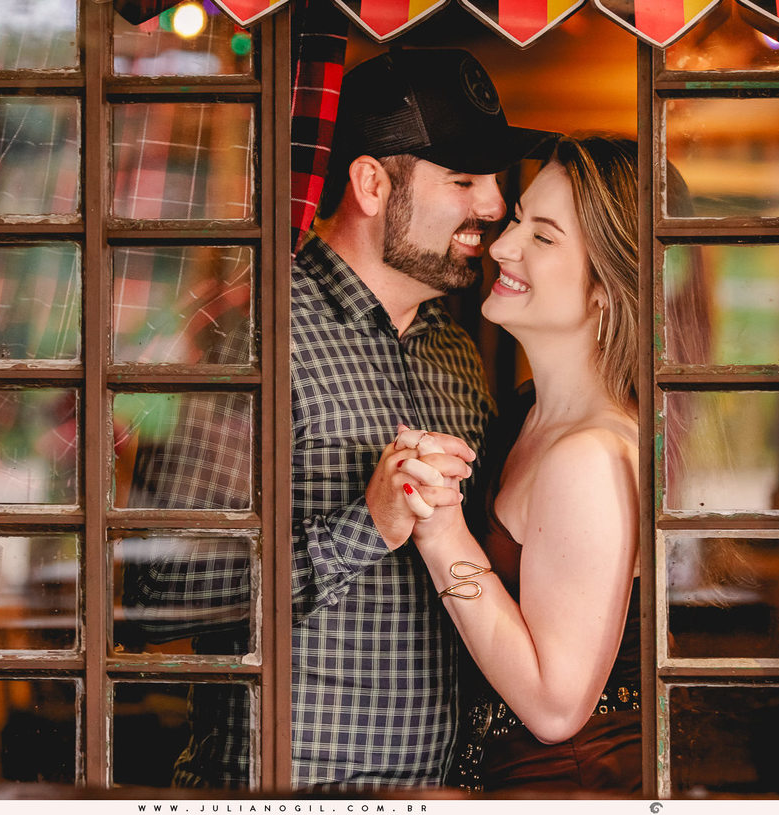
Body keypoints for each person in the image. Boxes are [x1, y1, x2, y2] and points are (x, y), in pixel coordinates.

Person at [124, 47, 556, 789]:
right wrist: (366, 526)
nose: (491, 204)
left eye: (491, 179)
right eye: (462, 179)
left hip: (448, 794)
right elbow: (150, 594)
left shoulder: (453, 351)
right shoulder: (252, 337)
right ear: (369, 182)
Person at [391, 135, 643, 793]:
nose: (502, 245)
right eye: (519, 219)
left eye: (545, 236)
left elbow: (556, 707)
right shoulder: (524, 414)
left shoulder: (590, 456)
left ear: (605, 292)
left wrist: (443, 534)